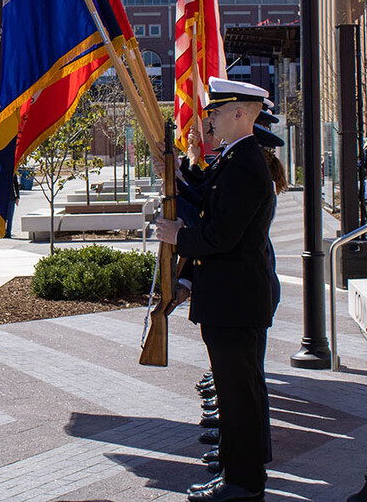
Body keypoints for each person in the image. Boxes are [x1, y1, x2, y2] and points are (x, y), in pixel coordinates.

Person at [155, 78, 275, 502]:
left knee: (237, 395)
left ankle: (242, 483)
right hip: (232, 297)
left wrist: (177, 237)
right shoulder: (236, 159)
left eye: (217, 113)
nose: (210, 120)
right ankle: (238, 471)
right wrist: (174, 172)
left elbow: (220, 234)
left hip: (235, 299)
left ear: (240, 113)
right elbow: (205, 199)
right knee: (237, 391)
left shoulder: (245, 165)